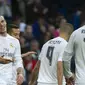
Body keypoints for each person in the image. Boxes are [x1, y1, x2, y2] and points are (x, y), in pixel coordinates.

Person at [0, 16, 24, 85]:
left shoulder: (15, 41)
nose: (1, 25)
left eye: (2, 21)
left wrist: (20, 73)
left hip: (11, 81)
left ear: (6, 22)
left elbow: (18, 60)